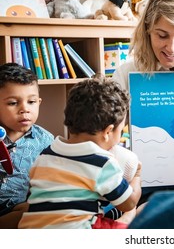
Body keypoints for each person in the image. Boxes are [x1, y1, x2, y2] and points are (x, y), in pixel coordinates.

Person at [18, 75, 142, 229]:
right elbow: (128, 202)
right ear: (108, 131)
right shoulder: (103, 163)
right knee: (136, 217)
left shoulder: (44, 155)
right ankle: (130, 219)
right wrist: (136, 177)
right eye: (121, 131)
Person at [0, 63, 54, 229]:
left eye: (31, 102)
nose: (24, 109)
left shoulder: (45, 140)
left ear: (39, 102)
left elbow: (49, 181)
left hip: (19, 208)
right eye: (13, 103)